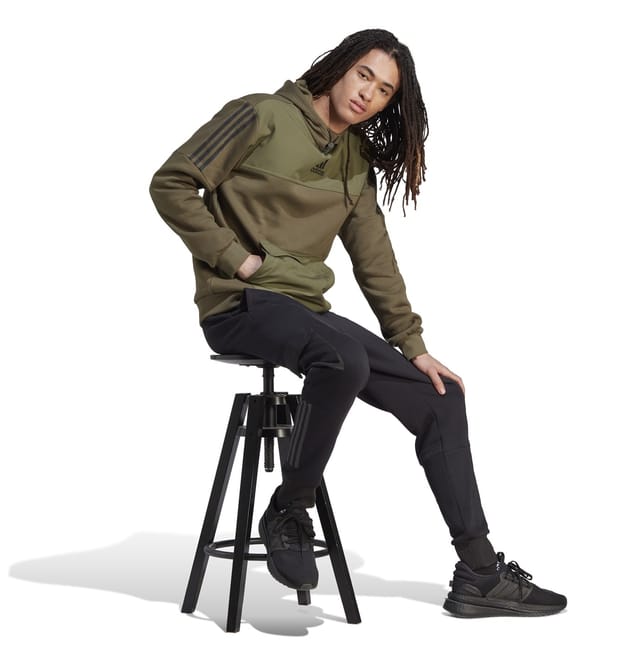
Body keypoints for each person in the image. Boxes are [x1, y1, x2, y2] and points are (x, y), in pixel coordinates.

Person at [149, 28, 566, 618]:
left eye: (385, 90)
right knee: (339, 360)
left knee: (439, 397)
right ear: (341, 68)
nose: (368, 93)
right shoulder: (259, 114)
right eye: (364, 75)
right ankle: (290, 509)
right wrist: (234, 259)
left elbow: (375, 259)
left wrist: (413, 346)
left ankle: (479, 572)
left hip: (305, 312)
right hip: (239, 306)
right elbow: (170, 181)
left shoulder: (355, 160)